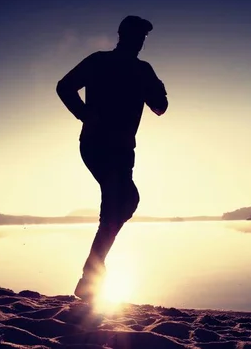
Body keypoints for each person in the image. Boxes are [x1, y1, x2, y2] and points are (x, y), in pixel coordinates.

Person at [56, 15, 168, 300]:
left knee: (125, 203)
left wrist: (156, 88)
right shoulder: (101, 62)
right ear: (122, 35)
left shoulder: (143, 70)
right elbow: (64, 86)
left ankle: (93, 272)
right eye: (136, 36)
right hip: (97, 144)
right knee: (118, 203)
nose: (140, 41)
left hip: (120, 149)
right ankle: (90, 277)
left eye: (143, 37)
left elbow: (160, 107)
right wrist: (84, 115)